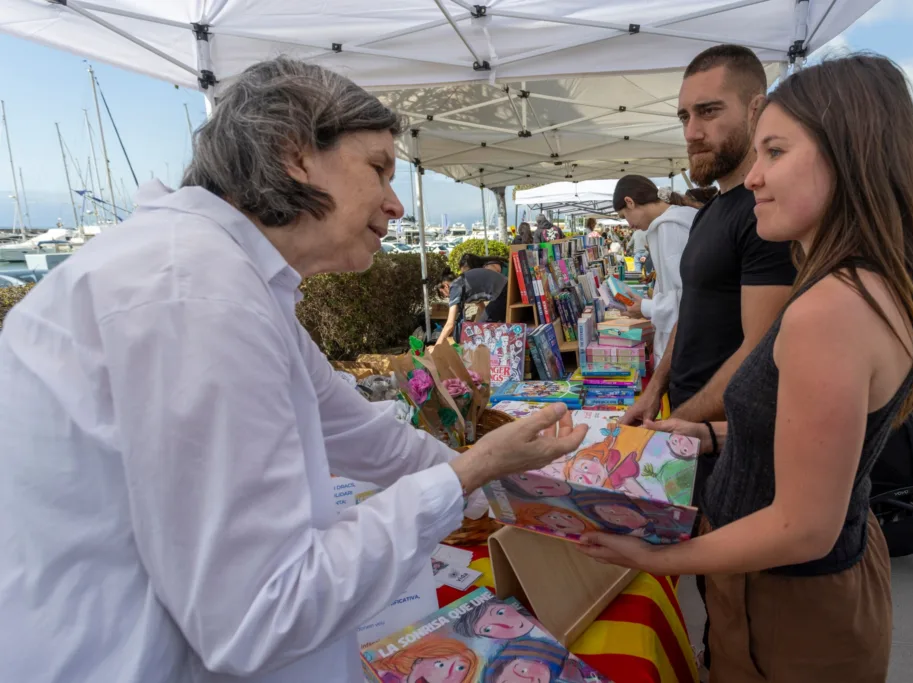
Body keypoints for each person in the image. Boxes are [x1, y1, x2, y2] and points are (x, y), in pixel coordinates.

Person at [0, 58, 590, 683]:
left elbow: (356, 429)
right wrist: (471, 472)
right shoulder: (197, 292)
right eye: (378, 168)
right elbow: (260, 612)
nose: (394, 204)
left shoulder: (221, 276)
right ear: (294, 154)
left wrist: (483, 473)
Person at [580, 54, 913, 683]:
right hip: (811, 590)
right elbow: (818, 439)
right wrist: (711, 432)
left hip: (788, 602)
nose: (754, 177)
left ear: (849, 156)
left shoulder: (830, 307)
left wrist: (660, 558)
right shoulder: (856, 284)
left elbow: (803, 526)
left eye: (774, 152)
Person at [616, 43, 798, 675]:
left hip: (728, 440)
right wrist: (653, 390)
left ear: (757, 107)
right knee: (713, 596)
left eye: (710, 111)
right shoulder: (718, 208)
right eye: (684, 116)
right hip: (689, 424)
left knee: (733, 599)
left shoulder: (763, 213)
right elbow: (690, 315)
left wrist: (683, 422)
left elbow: (760, 349)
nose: (693, 131)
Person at [614, 176, 698, 364]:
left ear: (630, 202)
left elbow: (688, 299)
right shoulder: (669, 224)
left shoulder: (671, 227)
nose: (629, 224)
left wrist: (646, 307)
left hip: (683, 350)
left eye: (623, 216)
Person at [435, 263, 509, 346]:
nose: (446, 296)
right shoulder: (463, 282)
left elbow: (450, 324)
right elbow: (482, 308)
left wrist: (436, 346)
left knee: (482, 330)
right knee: (480, 329)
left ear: (445, 286)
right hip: (507, 288)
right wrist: (474, 329)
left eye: (443, 293)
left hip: (503, 293)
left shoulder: (455, 286)